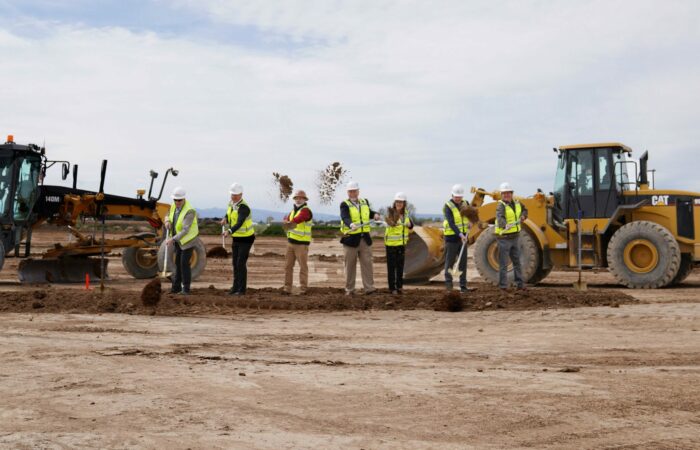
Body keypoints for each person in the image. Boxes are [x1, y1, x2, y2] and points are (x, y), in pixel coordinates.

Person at [339, 181, 380, 296]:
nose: (353, 193)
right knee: (350, 266)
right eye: (351, 191)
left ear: (358, 191)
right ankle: (350, 290)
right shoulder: (344, 204)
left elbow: (368, 213)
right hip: (350, 240)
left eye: (355, 191)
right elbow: (345, 217)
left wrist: (375, 214)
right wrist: (351, 224)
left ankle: (369, 288)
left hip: (365, 239)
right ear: (348, 192)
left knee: (367, 265)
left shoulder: (364, 202)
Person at [221, 182, 255, 295]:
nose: (233, 197)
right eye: (232, 194)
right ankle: (235, 288)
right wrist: (225, 219)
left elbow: (240, 222)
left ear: (241, 194)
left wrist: (229, 231)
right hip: (237, 238)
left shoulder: (244, 207)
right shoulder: (231, 204)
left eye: (235, 195)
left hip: (246, 239)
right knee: (235, 263)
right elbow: (228, 214)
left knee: (240, 263)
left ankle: (241, 289)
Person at [164, 186, 199, 295]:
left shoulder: (190, 211)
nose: (177, 202)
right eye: (175, 200)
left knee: (184, 263)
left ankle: (186, 289)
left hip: (188, 240)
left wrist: (172, 239)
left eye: (179, 200)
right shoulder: (173, 206)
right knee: (177, 263)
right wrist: (167, 221)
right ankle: (176, 288)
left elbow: (185, 230)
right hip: (179, 241)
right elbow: (167, 214)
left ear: (184, 199)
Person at [495, 182, 528, 290]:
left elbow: (525, 210)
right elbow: (500, 218)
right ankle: (503, 286)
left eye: (508, 193)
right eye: (504, 193)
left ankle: (520, 284)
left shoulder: (517, 203)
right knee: (504, 264)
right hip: (504, 238)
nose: (506, 195)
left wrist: (523, 215)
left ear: (511, 193)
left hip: (515, 237)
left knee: (517, 262)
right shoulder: (500, 205)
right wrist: (505, 224)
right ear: (501, 194)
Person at [282, 190, 313, 295]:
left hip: (301, 244)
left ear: (304, 199)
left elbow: (299, 219)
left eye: (300, 198)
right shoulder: (293, 211)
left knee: (303, 267)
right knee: (288, 266)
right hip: (290, 243)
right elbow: (286, 218)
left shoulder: (306, 211)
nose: (298, 199)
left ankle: (303, 288)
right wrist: (286, 220)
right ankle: (287, 288)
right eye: (296, 198)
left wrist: (289, 222)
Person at [443, 184, 470, 293]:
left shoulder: (466, 203)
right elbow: (451, 223)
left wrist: (471, 222)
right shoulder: (448, 206)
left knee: (463, 263)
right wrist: (460, 234)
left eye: (460, 197)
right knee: (450, 263)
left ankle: (463, 287)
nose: (458, 199)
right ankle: (449, 287)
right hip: (452, 238)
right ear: (452, 195)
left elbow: (470, 215)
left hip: (463, 238)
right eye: (456, 196)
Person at [384, 192, 414, 295]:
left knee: (400, 267)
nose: (399, 204)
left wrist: (409, 224)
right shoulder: (391, 213)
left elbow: (411, 225)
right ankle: (392, 289)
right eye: (397, 202)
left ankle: (400, 287)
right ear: (395, 202)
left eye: (401, 202)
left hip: (401, 244)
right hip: (391, 245)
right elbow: (388, 222)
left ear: (404, 203)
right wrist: (391, 222)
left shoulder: (405, 214)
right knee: (392, 268)